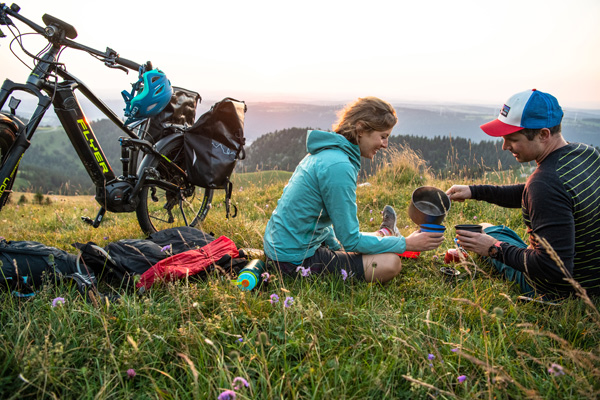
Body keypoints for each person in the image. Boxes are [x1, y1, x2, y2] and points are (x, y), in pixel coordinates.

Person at [263, 96, 444, 283]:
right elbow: (351, 240)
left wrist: (337, 247)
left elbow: (317, 219)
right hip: (291, 261)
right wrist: (407, 244)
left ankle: (386, 234)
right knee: (391, 263)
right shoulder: (338, 165)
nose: (385, 144)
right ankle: (388, 235)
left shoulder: (328, 153)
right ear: (360, 129)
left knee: (367, 247)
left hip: (285, 246)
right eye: (383, 136)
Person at [446, 89, 600, 299]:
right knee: (495, 231)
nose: (504, 146)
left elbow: (553, 269)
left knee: (487, 232)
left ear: (543, 134)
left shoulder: (545, 183)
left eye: (512, 138)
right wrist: (474, 191)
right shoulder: (586, 154)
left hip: (560, 290)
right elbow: (535, 193)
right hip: (592, 275)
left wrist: (493, 248)